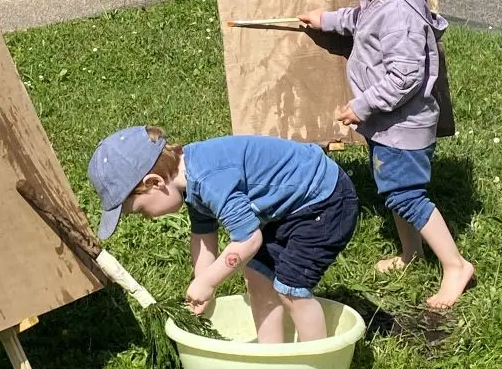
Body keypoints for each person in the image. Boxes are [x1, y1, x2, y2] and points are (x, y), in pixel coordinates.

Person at [299, 0, 474, 309]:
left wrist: (362, 106)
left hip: (403, 126)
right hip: (390, 126)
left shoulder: (400, 14)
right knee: (396, 190)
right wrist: (325, 20)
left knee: (407, 195)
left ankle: (454, 265)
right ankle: (411, 254)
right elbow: (361, 21)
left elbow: (406, 76)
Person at [87, 126, 358, 343]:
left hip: (325, 199)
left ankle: (316, 361)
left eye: (141, 211)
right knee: (257, 275)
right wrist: (202, 284)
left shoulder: (209, 180)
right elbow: (203, 236)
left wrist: (209, 282)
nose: (146, 217)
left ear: (154, 183)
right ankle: (272, 355)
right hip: (291, 206)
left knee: (291, 287)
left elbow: (249, 239)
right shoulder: (190, 180)